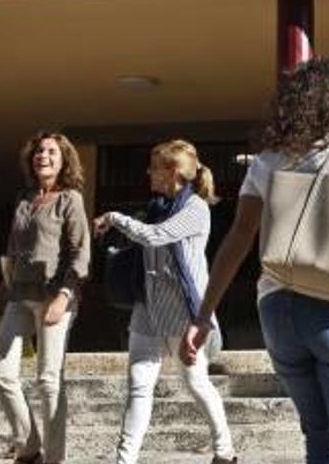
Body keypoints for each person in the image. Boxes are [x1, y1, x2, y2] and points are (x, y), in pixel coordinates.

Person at [185, 57, 329, 464]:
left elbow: (239, 237)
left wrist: (204, 316)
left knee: (319, 436)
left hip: (278, 309)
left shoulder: (267, 158)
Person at [93, 140, 237, 464]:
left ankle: (225, 450)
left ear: (172, 171)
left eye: (154, 167)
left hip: (185, 312)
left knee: (195, 382)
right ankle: (124, 459)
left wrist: (115, 217)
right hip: (149, 307)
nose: (148, 172)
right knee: (139, 385)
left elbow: (155, 236)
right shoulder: (157, 206)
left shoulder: (196, 209)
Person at [0, 132, 91, 464]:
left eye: (51, 152)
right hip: (18, 296)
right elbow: (12, 252)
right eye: (38, 151)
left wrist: (64, 296)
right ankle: (30, 445)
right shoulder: (24, 199)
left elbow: (80, 253)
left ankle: (55, 459)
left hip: (54, 297)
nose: (42, 156)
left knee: (49, 380)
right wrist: (1, 297)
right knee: (1, 373)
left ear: (63, 161)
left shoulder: (70, 199)